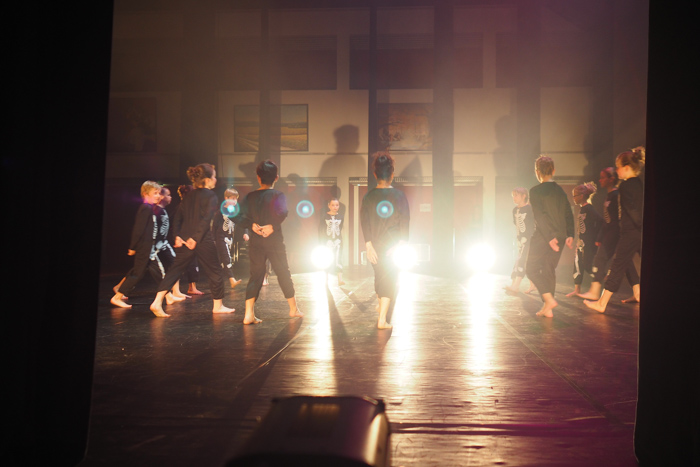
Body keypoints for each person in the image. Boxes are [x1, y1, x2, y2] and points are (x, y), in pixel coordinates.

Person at [149, 163, 235, 317]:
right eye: (214, 176)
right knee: (214, 270)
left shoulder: (189, 195)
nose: (215, 179)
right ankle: (218, 305)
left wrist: (178, 236)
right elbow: (205, 219)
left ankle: (157, 302)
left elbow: (177, 218)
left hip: (185, 238)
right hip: (201, 238)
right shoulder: (211, 196)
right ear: (207, 180)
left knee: (174, 270)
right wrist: (195, 238)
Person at [238, 160, 303, 325]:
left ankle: (248, 314)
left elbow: (237, 215)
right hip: (274, 241)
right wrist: (272, 226)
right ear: (276, 177)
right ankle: (293, 309)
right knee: (283, 272)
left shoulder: (250, 196)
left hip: (256, 241)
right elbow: (283, 212)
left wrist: (251, 225)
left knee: (256, 275)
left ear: (258, 178)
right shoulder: (278, 195)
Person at [585, 147, 645, 313]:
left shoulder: (625, 186)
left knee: (617, 265)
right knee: (624, 264)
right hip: (638, 232)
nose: (617, 170)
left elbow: (633, 211)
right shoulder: (639, 183)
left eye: (618, 167)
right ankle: (638, 293)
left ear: (626, 168)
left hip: (630, 232)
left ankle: (602, 303)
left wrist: (638, 225)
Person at [111, 181, 183, 308]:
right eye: (154, 193)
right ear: (146, 194)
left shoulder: (150, 209)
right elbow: (138, 229)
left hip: (149, 248)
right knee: (139, 274)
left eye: (158, 193)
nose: (157, 196)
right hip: (145, 249)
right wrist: (133, 247)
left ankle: (168, 296)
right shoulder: (145, 208)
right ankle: (117, 296)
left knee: (149, 272)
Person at [360, 151, 410, 329]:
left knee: (380, 277)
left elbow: (364, 221)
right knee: (389, 280)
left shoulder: (368, 197)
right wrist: (402, 245)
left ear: (375, 174)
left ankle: (381, 306)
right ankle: (382, 320)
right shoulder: (399, 196)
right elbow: (405, 221)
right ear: (392, 174)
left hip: (375, 245)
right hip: (393, 246)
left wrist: (368, 245)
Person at [576, 168, 639, 300]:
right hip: (611, 232)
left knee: (600, 259)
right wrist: (600, 236)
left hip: (615, 233)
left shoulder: (616, 195)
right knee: (626, 263)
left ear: (611, 179)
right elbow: (606, 219)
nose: (600, 180)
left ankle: (595, 290)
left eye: (603, 177)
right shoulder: (610, 195)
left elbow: (617, 218)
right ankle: (638, 293)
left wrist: (615, 234)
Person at [525, 155, 574, 318]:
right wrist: (570, 234)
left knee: (531, 269)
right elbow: (568, 212)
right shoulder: (559, 191)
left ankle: (548, 299)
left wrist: (549, 237)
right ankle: (549, 307)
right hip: (560, 235)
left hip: (543, 236)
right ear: (553, 170)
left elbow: (540, 216)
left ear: (537, 172)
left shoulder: (535, 191)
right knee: (548, 269)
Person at [566, 182, 602, 297]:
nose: (573, 199)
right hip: (581, 242)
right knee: (577, 265)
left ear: (581, 196)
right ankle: (577, 290)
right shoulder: (582, 209)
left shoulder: (590, 209)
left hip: (588, 243)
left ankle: (600, 281)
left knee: (587, 264)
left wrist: (597, 238)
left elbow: (601, 221)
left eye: (575, 196)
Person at [214, 187, 248, 289]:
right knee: (226, 258)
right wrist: (214, 240)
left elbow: (242, 222)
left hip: (230, 238)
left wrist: (246, 232)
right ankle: (232, 279)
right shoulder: (220, 212)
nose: (234, 201)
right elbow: (214, 226)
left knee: (223, 260)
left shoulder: (235, 211)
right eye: (232, 198)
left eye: (236, 199)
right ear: (226, 198)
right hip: (221, 238)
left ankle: (218, 280)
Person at [504, 187, 535, 294]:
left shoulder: (530, 209)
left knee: (521, 260)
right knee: (523, 261)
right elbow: (516, 224)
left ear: (524, 196)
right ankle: (531, 285)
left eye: (516, 195)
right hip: (520, 240)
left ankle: (516, 286)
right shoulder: (515, 210)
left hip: (529, 239)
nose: (514, 198)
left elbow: (534, 224)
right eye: (513, 196)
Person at [178, 184, 203, 296]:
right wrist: (181, 238)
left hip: (190, 240)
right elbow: (177, 224)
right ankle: (175, 291)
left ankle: (192, 287)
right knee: (181, 265)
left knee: (192, 264)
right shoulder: (182, 207)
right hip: (185, 241)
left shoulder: (190, 207)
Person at [319, 197, 345, 285]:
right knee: (327, 260)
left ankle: (340, 280)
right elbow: (321, 229)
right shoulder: (324, 216)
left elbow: (340, 229)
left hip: (338, 241)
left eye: (337, 205)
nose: (335, 207)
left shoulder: (340, 217)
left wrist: (339, 240)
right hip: (327, 241)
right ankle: (326, 279)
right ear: (329, 206)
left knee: (338, 259)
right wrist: (322, 242)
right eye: (333, 205)